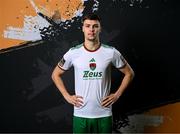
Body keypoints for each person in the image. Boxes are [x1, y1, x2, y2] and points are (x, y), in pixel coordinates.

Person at [51, 13, 135, 133]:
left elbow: (129, 73)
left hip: (104, 114)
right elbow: (55, 74)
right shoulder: (73, 53)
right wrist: (67, 96)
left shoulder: (111, 52)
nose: (91, 29)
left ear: (100, 28)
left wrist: (117, 94)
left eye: (95, 26)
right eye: (88, 26)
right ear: (83, 28)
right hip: (80, 114)